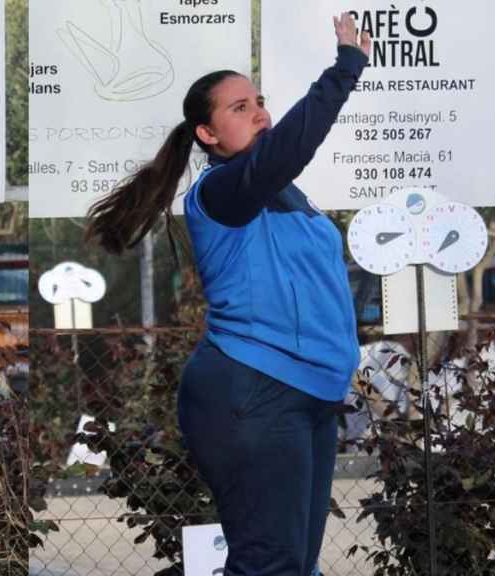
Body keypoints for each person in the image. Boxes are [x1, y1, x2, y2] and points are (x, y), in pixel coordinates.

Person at [86, 13, 372, 576]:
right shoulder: (221, 191)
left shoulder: (284, 195)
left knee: (294, 566)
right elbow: (288, 148)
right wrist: (344, 70)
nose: (260, 112)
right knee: (269, 565)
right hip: (253, 392)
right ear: (208, 136)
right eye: (240, 107)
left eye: (259, 101)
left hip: (308, 391)